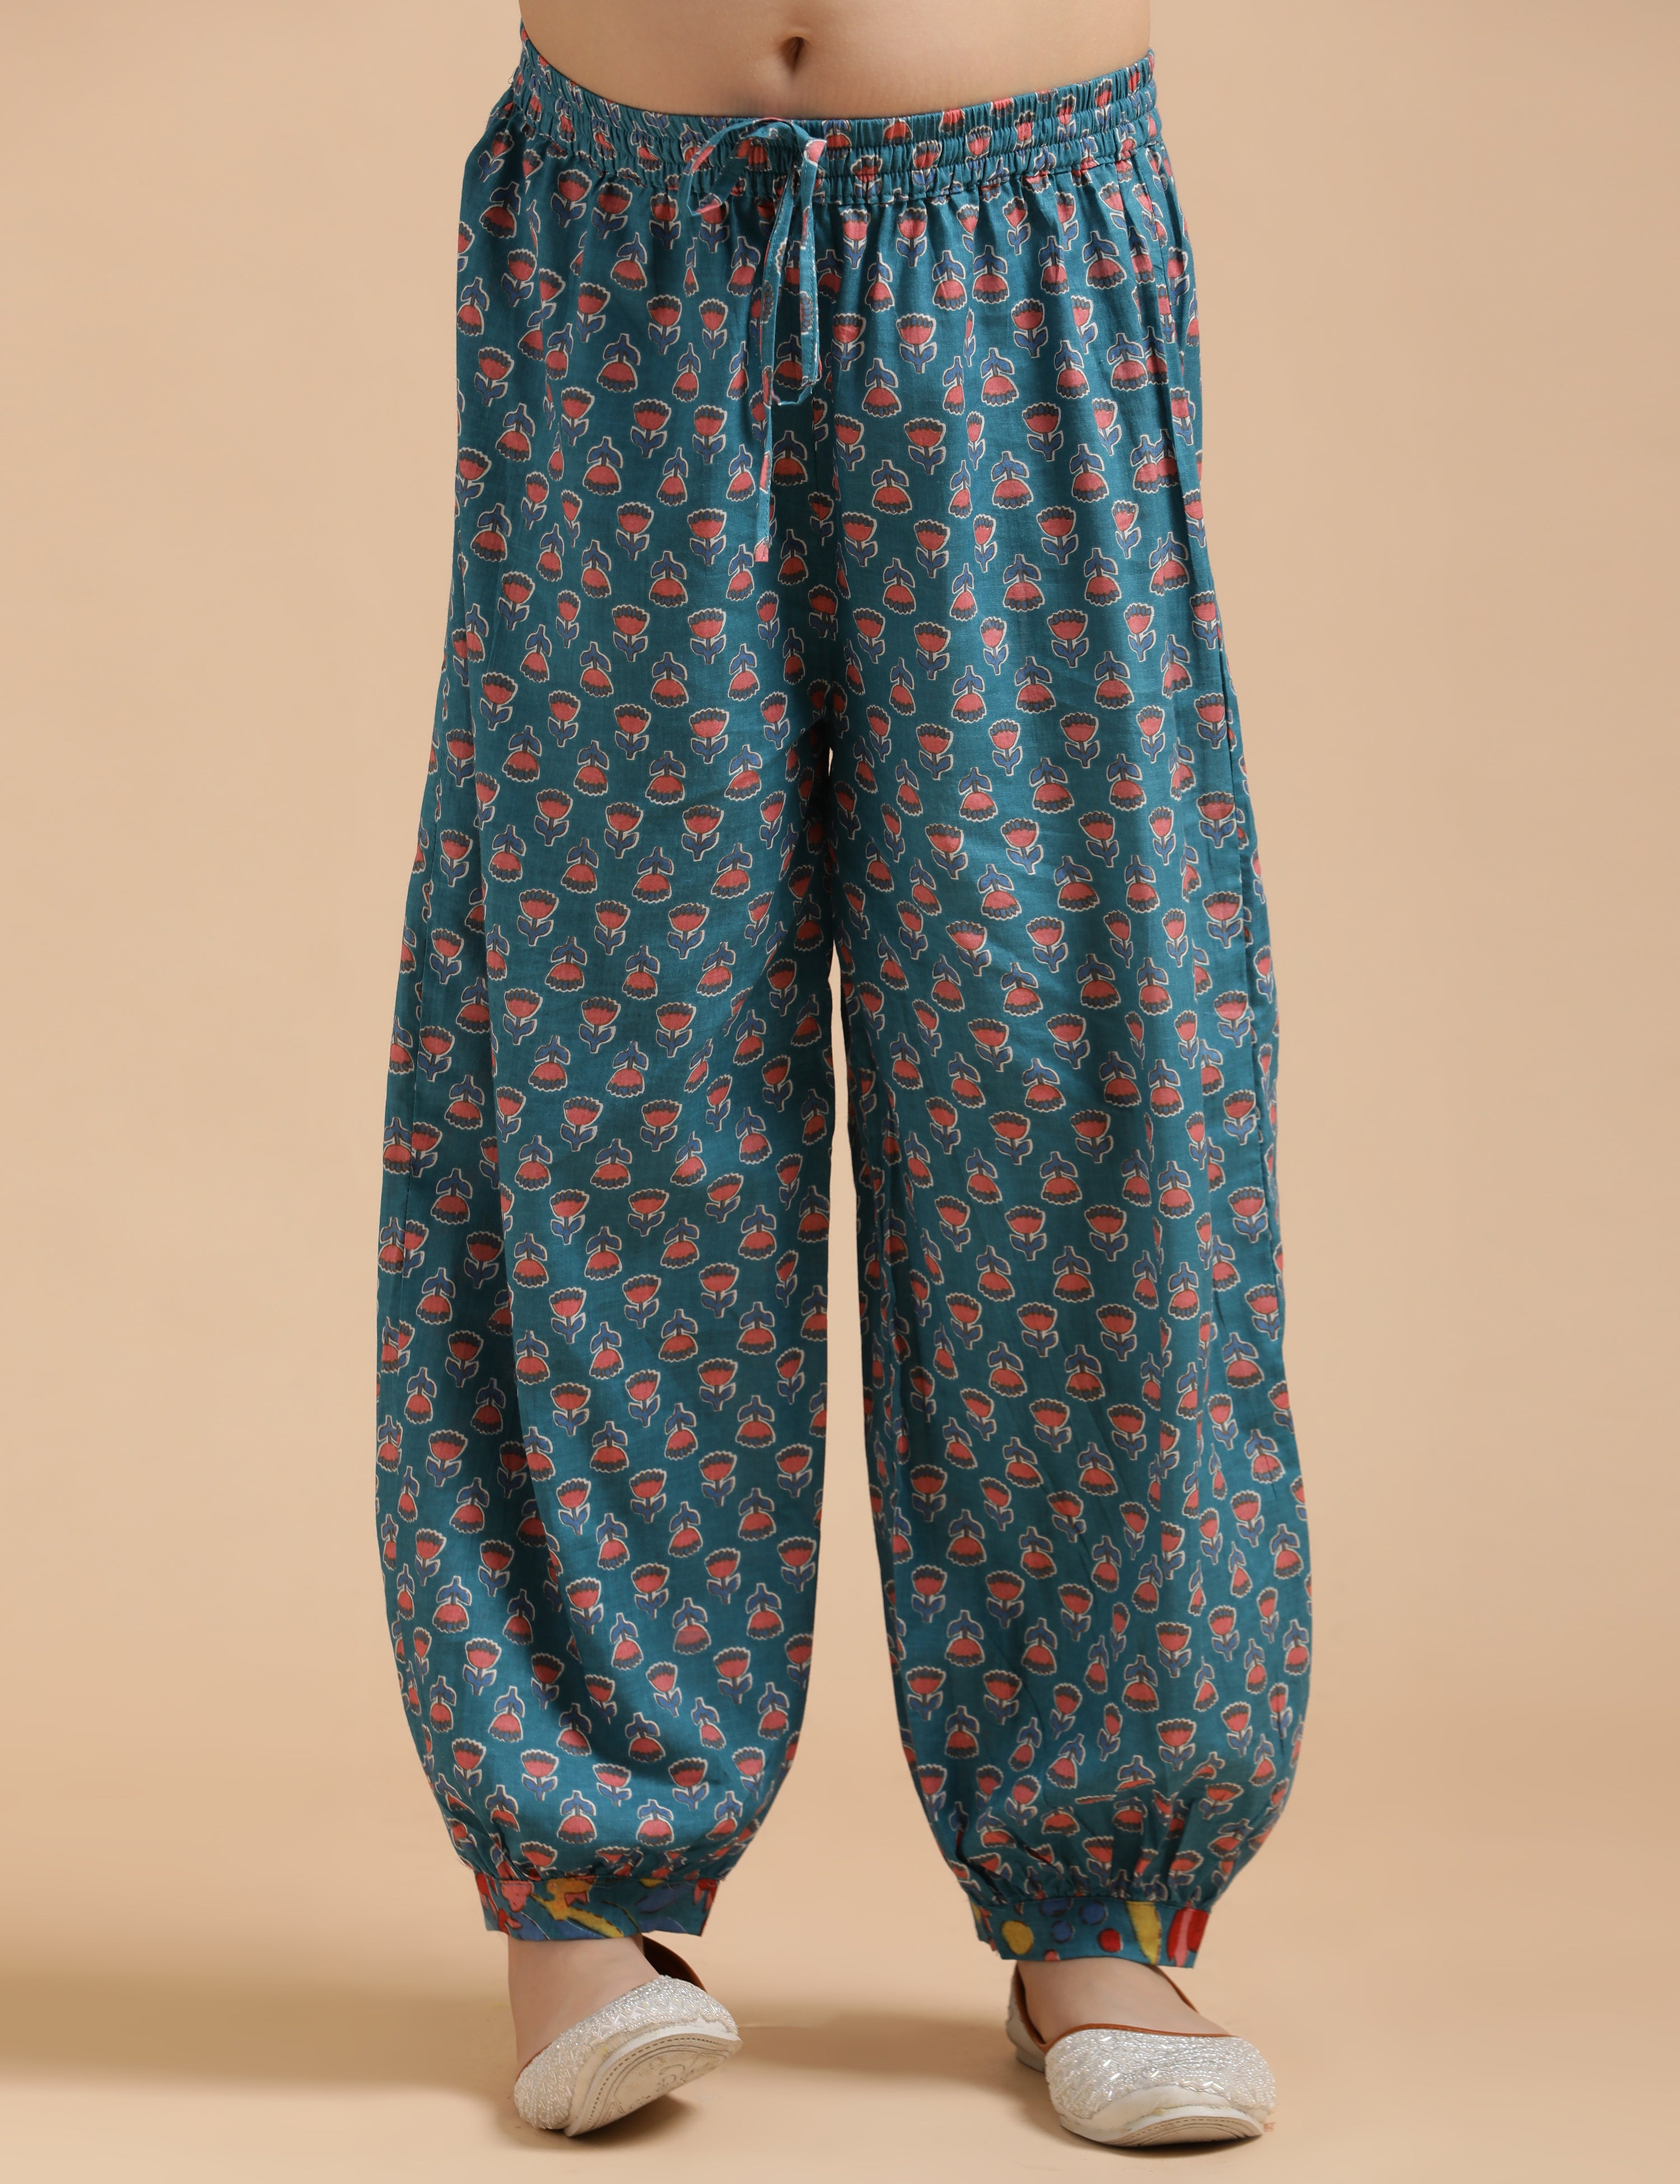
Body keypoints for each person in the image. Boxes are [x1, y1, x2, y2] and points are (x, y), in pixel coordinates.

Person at [375, 0, 1309, 2147]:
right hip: (619, 239)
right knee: (604, 1059)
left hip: (1023, 233)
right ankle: (581, 1886)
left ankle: (1103, 1895)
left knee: (1078, 1060)